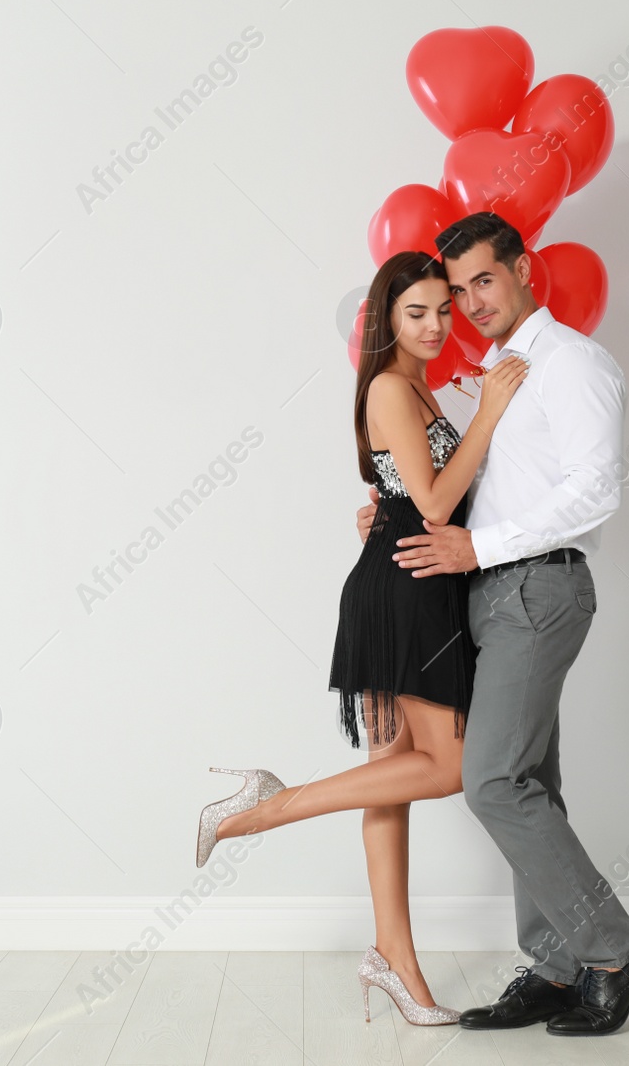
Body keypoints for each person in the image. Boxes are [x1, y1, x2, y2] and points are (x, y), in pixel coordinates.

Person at [192, 249, 528, 1026]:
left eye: (444, 309)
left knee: (395, 778)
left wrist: (404, 490)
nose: (438, 323)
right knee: (445, 768)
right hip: (402, 596)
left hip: (416, 583)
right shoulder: (387, 385)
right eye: (418, 313)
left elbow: (415, 495)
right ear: (387, 319)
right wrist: (488, 414)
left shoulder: (423, 388)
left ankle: (395, 962)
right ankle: (268, 806)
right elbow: (439, 504)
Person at [372, 211, 629, 1037]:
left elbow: (595, 490)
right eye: (457, 292)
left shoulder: (571, 363)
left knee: (490, 780)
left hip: (538, 590)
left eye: (484, 282)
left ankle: (614, 951)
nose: (471, 303)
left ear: (524, 267)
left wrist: (483, 548)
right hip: (492, 593)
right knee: (531, 783)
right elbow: (489, 487)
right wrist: (391, 517)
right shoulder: (500, 370)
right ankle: (559, 963)